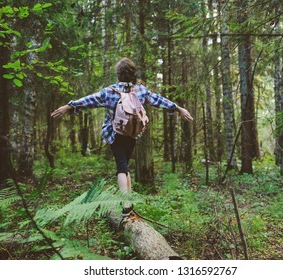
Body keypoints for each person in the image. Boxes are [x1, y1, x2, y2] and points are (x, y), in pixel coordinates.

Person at [51, 57, 193, 220]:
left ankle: (125, 204)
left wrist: (69, 106)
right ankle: (129, 202)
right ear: (133, 73)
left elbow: (89, 100)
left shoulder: (110, 91)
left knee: (121, 166)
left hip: (115, 133)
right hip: (132, 134)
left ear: (118, 74)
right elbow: (158, 100)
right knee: (125, 165)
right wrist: (178, 108)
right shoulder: (140, 90)